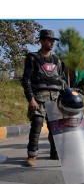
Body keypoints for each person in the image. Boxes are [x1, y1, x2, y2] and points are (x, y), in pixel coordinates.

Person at [21, 29, 66, 166]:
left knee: (55, 127)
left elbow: (62, 81)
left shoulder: (57, 60)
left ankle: (55, 152)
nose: (51, 42)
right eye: (48, 40)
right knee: (36, 126)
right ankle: (32, 155)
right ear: (41, 40)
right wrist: (31, 99)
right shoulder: (33, 58)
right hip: (39, 99)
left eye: (53, 40)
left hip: (55, 99)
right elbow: (25, 80)